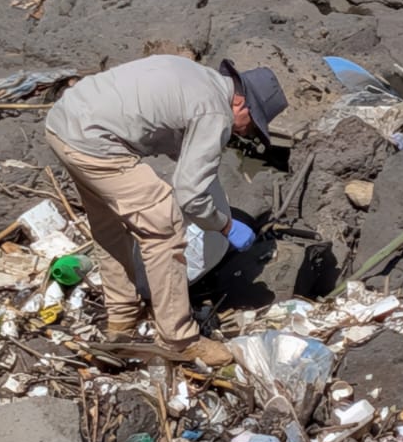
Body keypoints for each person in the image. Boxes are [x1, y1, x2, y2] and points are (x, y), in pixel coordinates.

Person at [44, 54, 287, 365]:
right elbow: (190, 196)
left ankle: (122, 319)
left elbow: (174, 142)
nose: (247, 134)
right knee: (164, 227)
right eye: (252, 126)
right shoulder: (216, 112)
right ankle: (179, 338)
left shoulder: (195, 75)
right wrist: (225, 226)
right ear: (242, 104)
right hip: (94, 143)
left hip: (63, 124)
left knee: (109, 224)